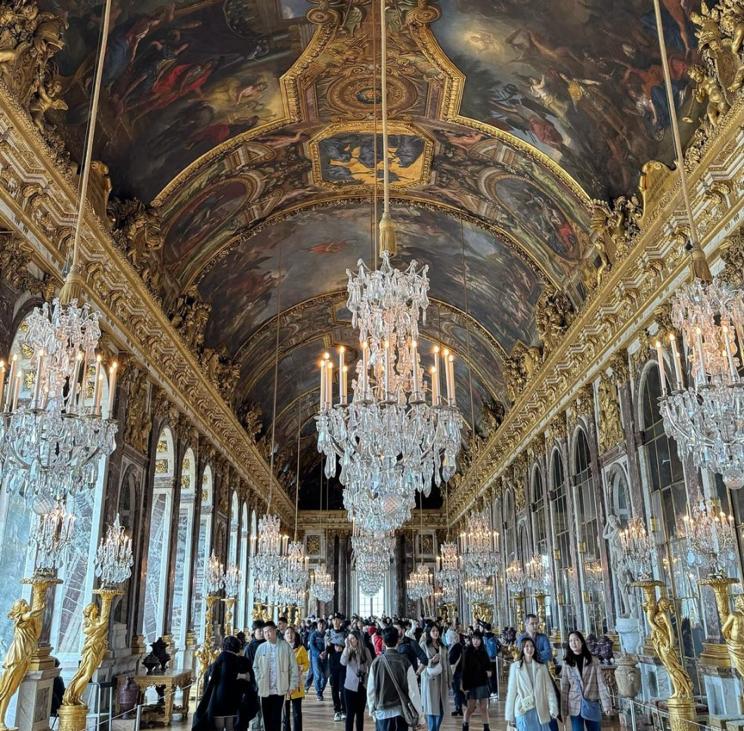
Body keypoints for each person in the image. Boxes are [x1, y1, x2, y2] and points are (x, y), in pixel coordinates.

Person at [193, 636, 255, 731]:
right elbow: (228, 674)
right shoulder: (231, 658)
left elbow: (217, 676)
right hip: (231, 696)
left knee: (220, 724)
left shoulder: (223, 657)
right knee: (229, 724)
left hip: (220, 697)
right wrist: (243, 676)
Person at [366, 626, 421, 731]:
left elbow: (371, 691)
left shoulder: (376, 663)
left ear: (383, 642)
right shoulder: (405, 662)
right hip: (400, 713)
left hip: (381, 713)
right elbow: (413, 692)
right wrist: (420, 717)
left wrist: (372, 711)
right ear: (398, 640)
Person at [560, 631, 612, 731]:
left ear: (582, 642)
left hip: (591, 702)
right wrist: (563, 711)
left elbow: (601, 684)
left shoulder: (593, 660)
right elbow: (564, 687)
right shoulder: (566, 663)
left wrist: (606, 705)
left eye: (576, 640)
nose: (573, 643)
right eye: (570, 641)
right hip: (574, 704)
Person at [253, 621, 300, 731]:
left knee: (277, 719)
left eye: (269, 631)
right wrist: (259, 680)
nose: (267, 634)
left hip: (280, 689)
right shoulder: (261, 648)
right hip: (265, 690)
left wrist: (292, 685)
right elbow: (255, 667)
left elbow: (293, 667)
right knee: (267, 720)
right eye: (265, 632)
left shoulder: (285, 646)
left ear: (275, 631)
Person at [505, 637, 558, 731]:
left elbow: (549, 690)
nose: (529, 648)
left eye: (532, 646)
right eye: (526, 646)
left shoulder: (542, 667)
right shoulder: (515, 667)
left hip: (540, 709)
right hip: (523, 710)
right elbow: (511, 692)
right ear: (522, 648)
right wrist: (509, 716)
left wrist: (553, 708)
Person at [341, 630, 373, 731]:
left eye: (353, 638)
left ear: (358, 639)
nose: (351, 641)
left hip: (362, 686)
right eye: (349, 639)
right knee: (350, 714)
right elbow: (343, 662)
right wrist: (346, 648)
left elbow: (371, 666)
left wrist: (368, 679)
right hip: (350, 687)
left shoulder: (365, 650)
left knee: (360, 714)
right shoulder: (348, 650)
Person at [420, 625, 450, 731]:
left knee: (441, 708)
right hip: (430, 680)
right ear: (429, 632)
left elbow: (447, 664)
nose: (435, 633)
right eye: (433, 631)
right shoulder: (424, 645)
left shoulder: (443, 646)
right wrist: (431, 661)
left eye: (437, 630)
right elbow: (420, 662)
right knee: (431, 708)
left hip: (442, 679)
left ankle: (435, 728)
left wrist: (450, 680)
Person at [461, 630, 492, 731]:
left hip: (482, 682)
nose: (475, 641)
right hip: (471, 684)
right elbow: (464, 670)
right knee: (471, 708)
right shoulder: (467, 652)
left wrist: (489, 672)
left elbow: (488, 665)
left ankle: (486, 728)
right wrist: (465, 686)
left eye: (478, 639)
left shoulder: (484, 651)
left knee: (484, 707)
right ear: (471, 639)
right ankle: (465, 726)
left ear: (481, 641)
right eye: (474, 639)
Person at [284, 627, 309, 731]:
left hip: (296, 685)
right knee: (285, 714)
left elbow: (307, 664)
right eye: (287, 633)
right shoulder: (280, 648)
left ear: (295, 635)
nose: (290, 635)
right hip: (284, 685)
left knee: (297, 713)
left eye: (292, 633)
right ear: (284, 636)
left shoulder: (301, 649)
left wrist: (302, 667)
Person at [327, 613, 349, 720]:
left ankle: (344, 709)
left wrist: (342, 647)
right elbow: (327, 648)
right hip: (333, 663)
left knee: (343, 687)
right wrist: (328, 649)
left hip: (343, 662)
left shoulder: (346, 633)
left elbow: (350, 647)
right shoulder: (328, 633)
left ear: (341, 621)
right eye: (334, 620)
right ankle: (337, 710)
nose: (336, 622)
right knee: (334, 687)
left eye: (338, 620)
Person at [308, 619, 328, 701]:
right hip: (315, 657)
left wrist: (326, 652)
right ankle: (318, 692)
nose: (321, 626)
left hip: (325, 657)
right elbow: (312, 646)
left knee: (325, 676)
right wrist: (319, 653)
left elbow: (329, 645)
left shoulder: (327, 635)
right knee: (318, 675)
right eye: (320, 625)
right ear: (318, 625)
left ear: (325, 626)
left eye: (323, 625)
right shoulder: (314, 635)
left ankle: (321, 690)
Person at [448, 634, 465, 717]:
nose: (454, 638)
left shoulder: (456, 646)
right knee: (457, 689)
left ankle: (459, 708)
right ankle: (462, 705)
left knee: (456, 690)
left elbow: (452, 659)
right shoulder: (456, 646)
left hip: (455, 671)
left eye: (455, 637)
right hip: (457, 670)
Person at [482, 624, 501, 699]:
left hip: (487, 659)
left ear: (485, 629)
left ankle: (490, 692)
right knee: (494, 676)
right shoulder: (494, 637)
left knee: (488, 676)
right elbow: (499, 646)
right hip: (494, 659)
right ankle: (495, 691)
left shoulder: (484, 637)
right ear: (491, 628)